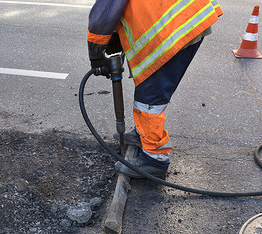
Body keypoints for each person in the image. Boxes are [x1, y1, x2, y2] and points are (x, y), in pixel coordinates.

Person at [87, 0, 223, 178]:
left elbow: (104, 14)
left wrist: (96, 54)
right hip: (187, 17)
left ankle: (154, 159)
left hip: (175, 26)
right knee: (150, 88)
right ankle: (143, 134)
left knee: (149, 95)